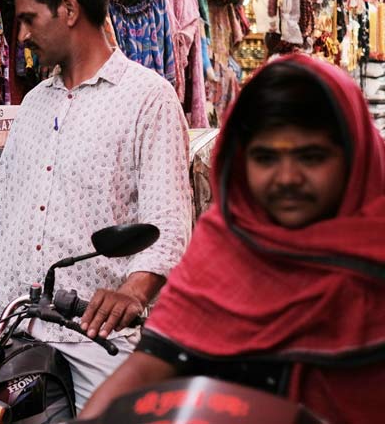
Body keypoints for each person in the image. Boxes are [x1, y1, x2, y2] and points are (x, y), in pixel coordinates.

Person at [81, 55, 385, 424]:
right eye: (265, 158)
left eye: (311, 157)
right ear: (240, 163)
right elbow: (151, 364)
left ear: (354, 156)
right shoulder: (222, 248)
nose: (287, 178)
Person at [0, 0, 193, 414]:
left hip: (91, 338)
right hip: (6, 331)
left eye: (28, 19)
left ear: (68, 10)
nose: (21, 36)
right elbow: (0, 213)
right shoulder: (35, 105)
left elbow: (167, 223)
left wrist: (132, 292)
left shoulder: (149, 99)